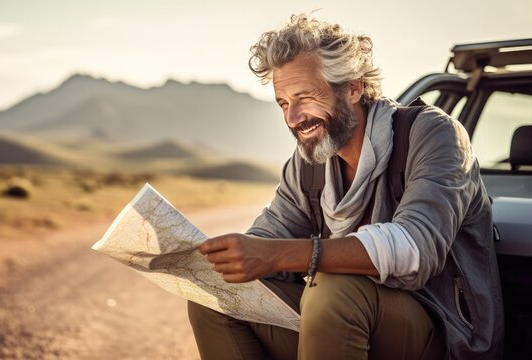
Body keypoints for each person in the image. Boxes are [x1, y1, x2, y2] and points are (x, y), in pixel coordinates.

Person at [187, 13, 504, 360]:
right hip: (340, 322)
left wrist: (277, 254)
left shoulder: (432, 134)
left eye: (305, 96)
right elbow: (268, 240)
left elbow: (416, 247)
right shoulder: (308, 163)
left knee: (333, 289)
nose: (293, 118)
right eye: (284, 103)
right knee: (216, 295)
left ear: (353, 87)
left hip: (440, 332)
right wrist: (223, 259)